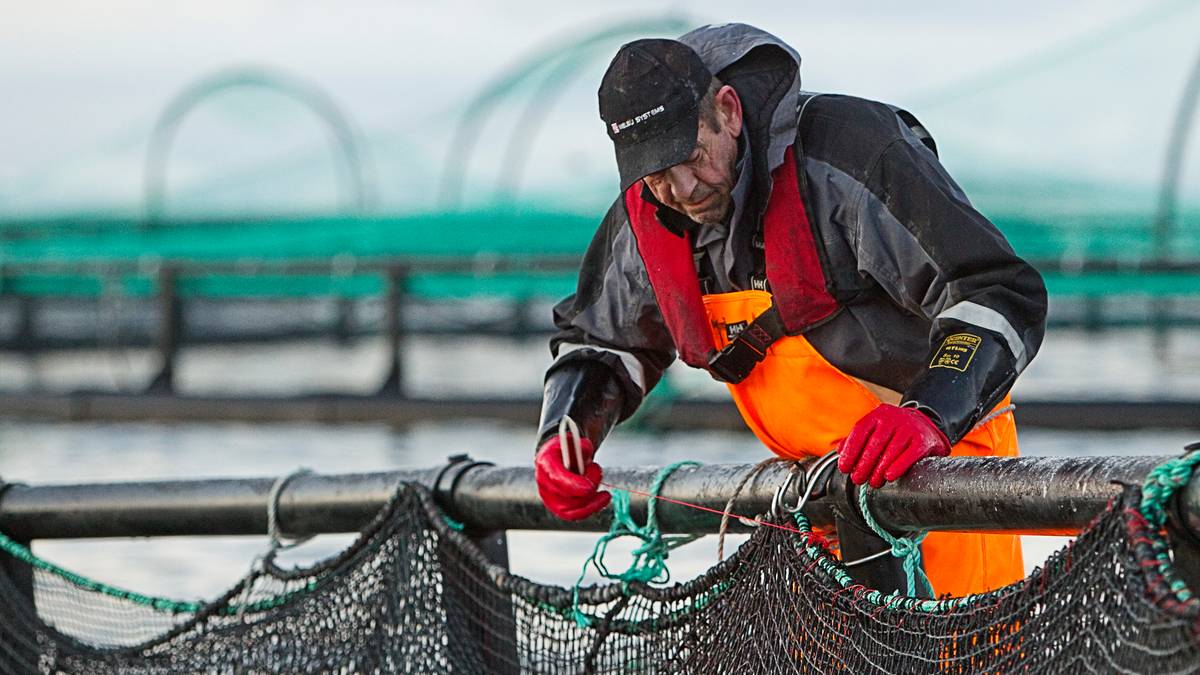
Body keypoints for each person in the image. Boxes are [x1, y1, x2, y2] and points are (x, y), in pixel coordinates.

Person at [533, 23, 1047, 597]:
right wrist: (563, 435)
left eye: (692, 157)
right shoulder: (649, 213)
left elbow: (1001, 292)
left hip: (933, 478)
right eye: (656, 176)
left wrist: (927, 414)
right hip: (807, 504)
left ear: (726, 111)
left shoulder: (853, 152)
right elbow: (600, 341)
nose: (683, 189)